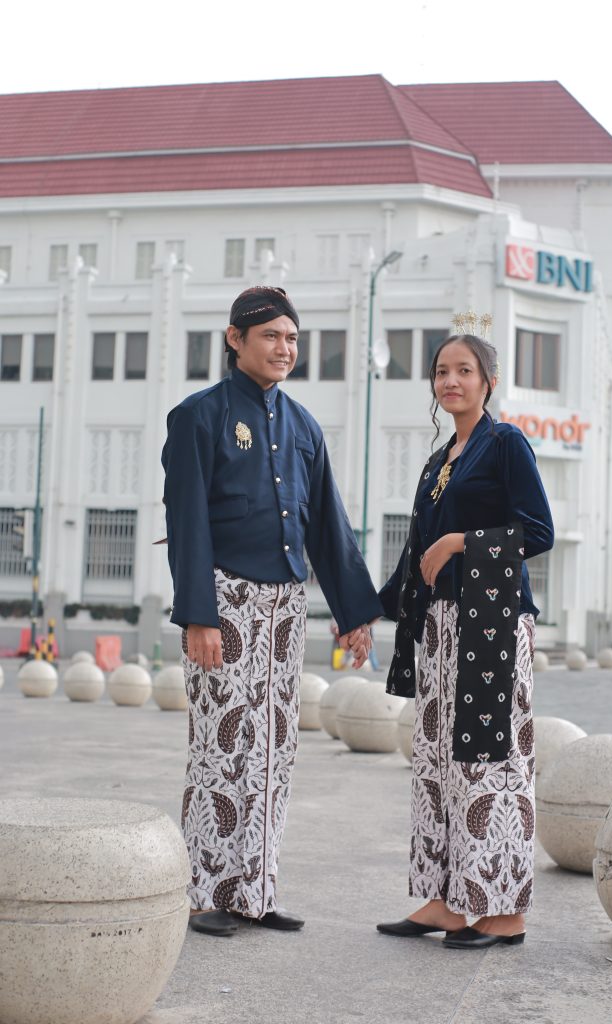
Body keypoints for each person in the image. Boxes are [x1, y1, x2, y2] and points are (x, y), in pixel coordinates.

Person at [162, 285, 380, 937]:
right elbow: (187, 522)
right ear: (235, 340)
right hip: (224, 601)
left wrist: (353, 612)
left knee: (274, 748)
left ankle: (255, 891)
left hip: (286, 605)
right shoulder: (198, 416)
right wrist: (199, 614)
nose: (284, 348)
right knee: (220, 745)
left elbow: (328, 526)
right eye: (270, 336)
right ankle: (204, 892)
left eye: (291, 338)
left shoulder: (303, 425)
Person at [376, 331, 554, 949]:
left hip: (493, 625)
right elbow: (414, 555)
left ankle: (503, 912)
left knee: (490, 766)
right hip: (442, 626)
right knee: (437, 765)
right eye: (441, 371)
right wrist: (362, 610)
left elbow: (538, 531)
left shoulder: (505, 444)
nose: (450, 381)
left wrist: (460, 543)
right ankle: (447, 902)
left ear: (488, 382)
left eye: (464, 371)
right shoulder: (440, 460)